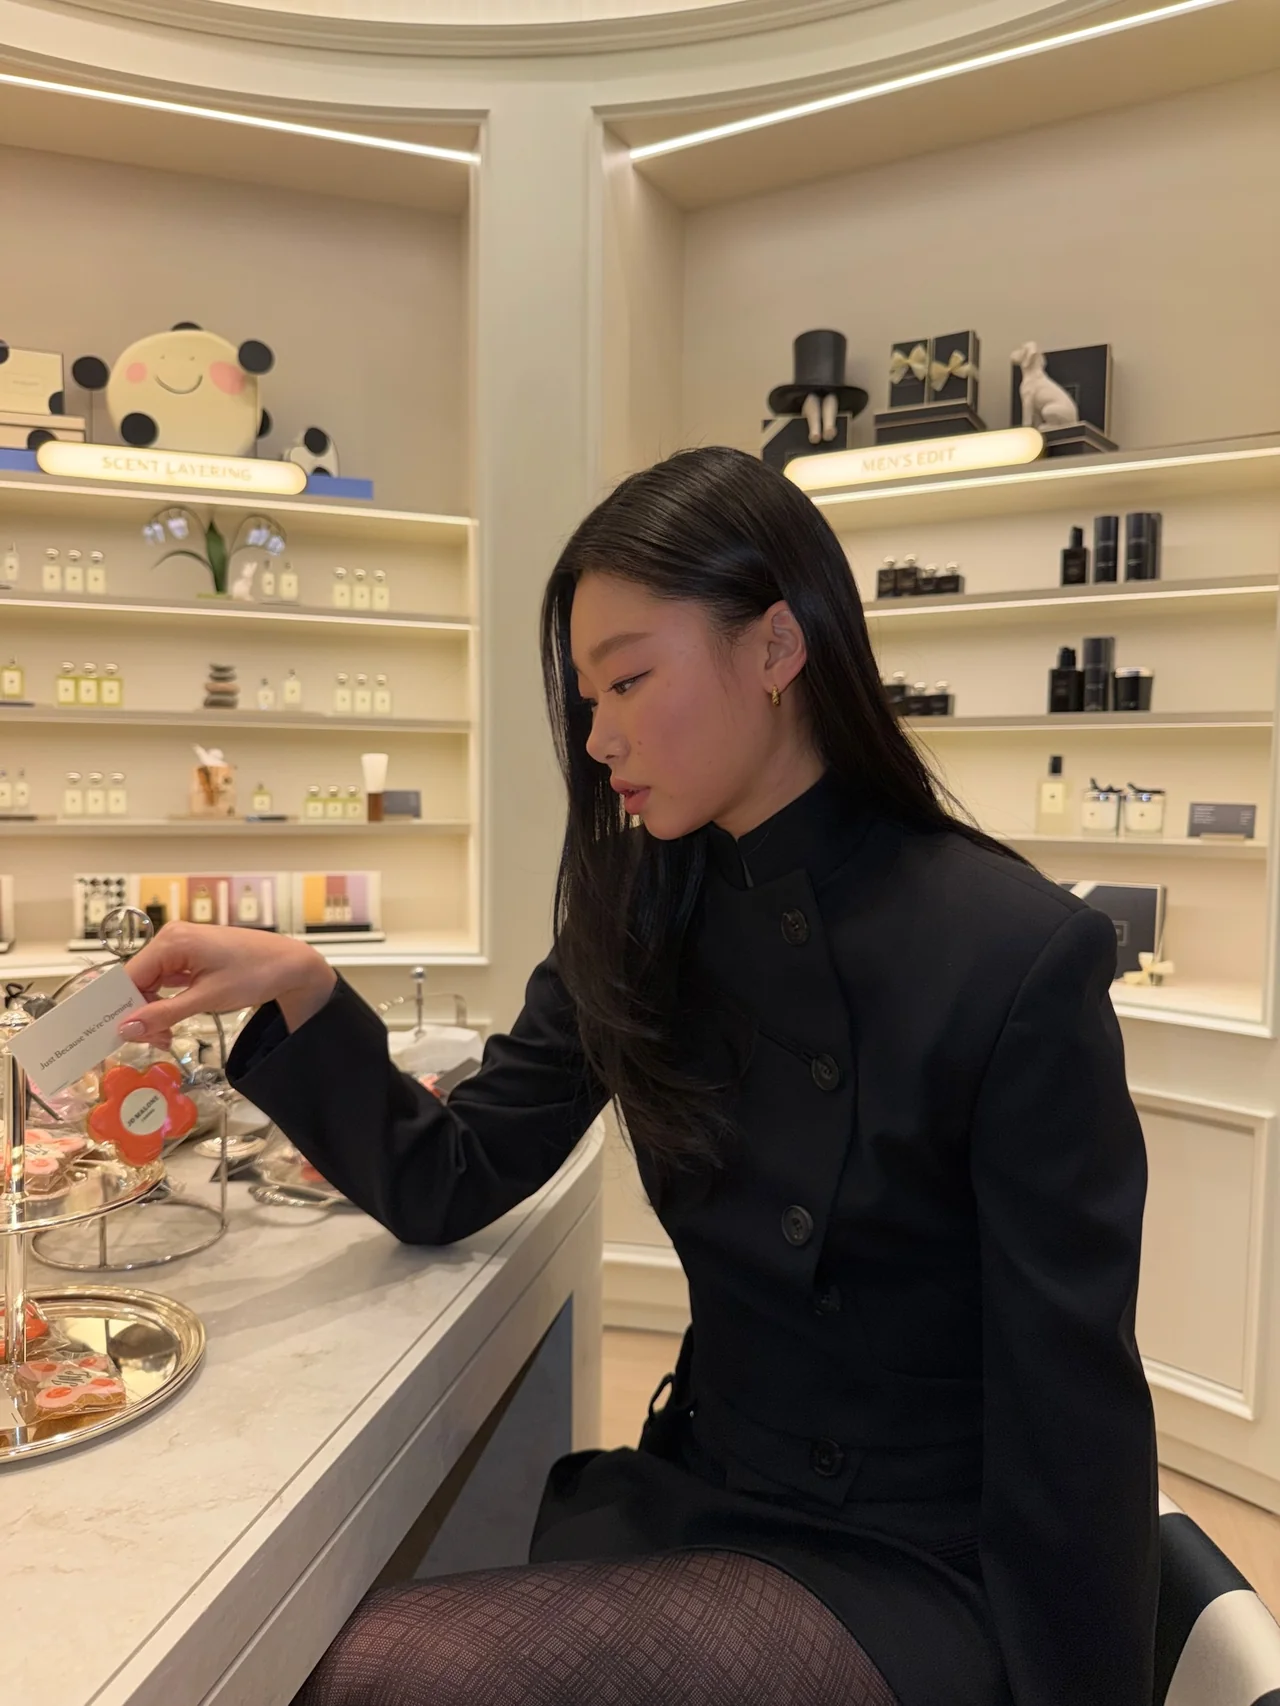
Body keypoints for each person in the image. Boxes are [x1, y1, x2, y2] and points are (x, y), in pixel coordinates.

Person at [119, 446, 1160, 1706]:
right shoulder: (642, 912)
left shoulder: (1011, 951)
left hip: (913, 1557)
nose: (599, 735)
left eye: (627, 680)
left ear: (776, 647)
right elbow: (453, 1174)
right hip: (708, 1480)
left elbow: (1072, 1404)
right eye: (585, 694)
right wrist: (302, 990)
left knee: (365, 1668)